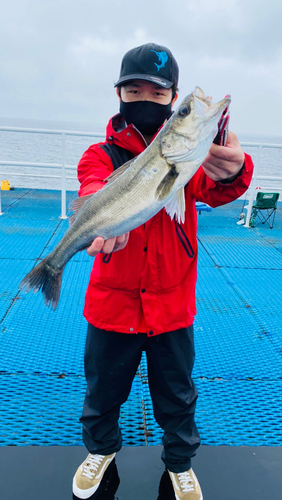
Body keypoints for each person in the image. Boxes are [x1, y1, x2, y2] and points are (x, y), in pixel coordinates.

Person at [72, 43, 254, 500]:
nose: (145, 101)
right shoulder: (102, 153)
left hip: (171, 303)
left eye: (158, 95)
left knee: (177, 395)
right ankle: (100, 450)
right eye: (135, 90)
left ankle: (179, 463)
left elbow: (219, 189)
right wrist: (101, 208)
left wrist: (235, 169)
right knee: (103, 390)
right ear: (119, 95)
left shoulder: (188, 160)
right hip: (112, 302)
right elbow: (93, 181)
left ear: (172, 103)